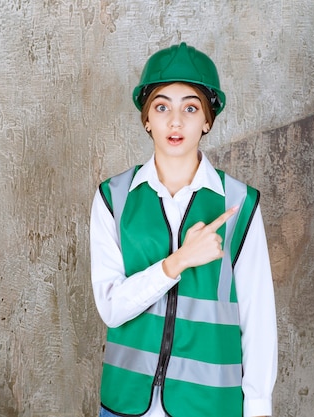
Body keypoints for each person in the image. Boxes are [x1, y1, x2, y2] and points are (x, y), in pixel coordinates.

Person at [90, 42, 277, 417]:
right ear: (147, 119)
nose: (175, 121)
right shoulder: (113, 198)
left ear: (207, 120)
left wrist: (258, 409)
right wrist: (179, 261)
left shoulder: (239, 203)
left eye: (190, 108)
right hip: (126, 403)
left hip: (209, 405)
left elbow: (257, 319)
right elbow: (111, 307)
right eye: (162, 107)